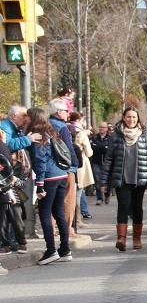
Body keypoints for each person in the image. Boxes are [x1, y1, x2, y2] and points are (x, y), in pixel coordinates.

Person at [101, 107, 147, 251]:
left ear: (138, 119)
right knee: (123, 205)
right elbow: (108, 159)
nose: (131, 120)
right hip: (122, 178)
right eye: (128, 117)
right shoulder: (116, 136)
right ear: (123, 118)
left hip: (140, 178)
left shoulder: (145, 135)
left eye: (134, 117)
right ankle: (121, 238)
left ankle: (136, 239)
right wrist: (103, 181)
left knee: (137, 208)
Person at [26, 107, 71, 265]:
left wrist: (39, 185)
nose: (26, 119)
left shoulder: (38, 136)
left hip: (49, 178)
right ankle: (65, 249)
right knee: (58, 212)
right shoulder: (52, 131)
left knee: (44, 213)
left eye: (28, 116)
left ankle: (51, 250)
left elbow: (40, 162)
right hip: (61, 175)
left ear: (33, 118)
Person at [48, 100, 79, 238]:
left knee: (50, 202)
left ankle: (51, 229)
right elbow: (68, 148)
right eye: (66, 111)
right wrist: (75, 162)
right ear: (58, 112)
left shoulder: (45, 125)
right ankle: (66, 230)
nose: (68, 113)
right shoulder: (62, 127)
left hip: (49, 169)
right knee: (67, 201)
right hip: (65, 168)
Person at [69, 112, 94, 221]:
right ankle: (77, 219)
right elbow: (89, 152)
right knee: (78, 192)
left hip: (68, 162)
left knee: (76, 191)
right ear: (80, 120)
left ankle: (81, 214)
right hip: (81, 163)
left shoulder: (66, 128)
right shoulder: (82, 133)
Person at [90, 122, 111, 205]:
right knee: (97, 180)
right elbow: (92, 147)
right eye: (100, 127)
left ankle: (107, 194)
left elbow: (109, 149)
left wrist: (99, 146)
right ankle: (99, 198)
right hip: (96, 162)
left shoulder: (110, 138)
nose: (101, 128)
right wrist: (103, 147)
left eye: (103, 127)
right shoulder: (94, 137)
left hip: (107, 162)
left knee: (107, 180)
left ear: (106, 128)